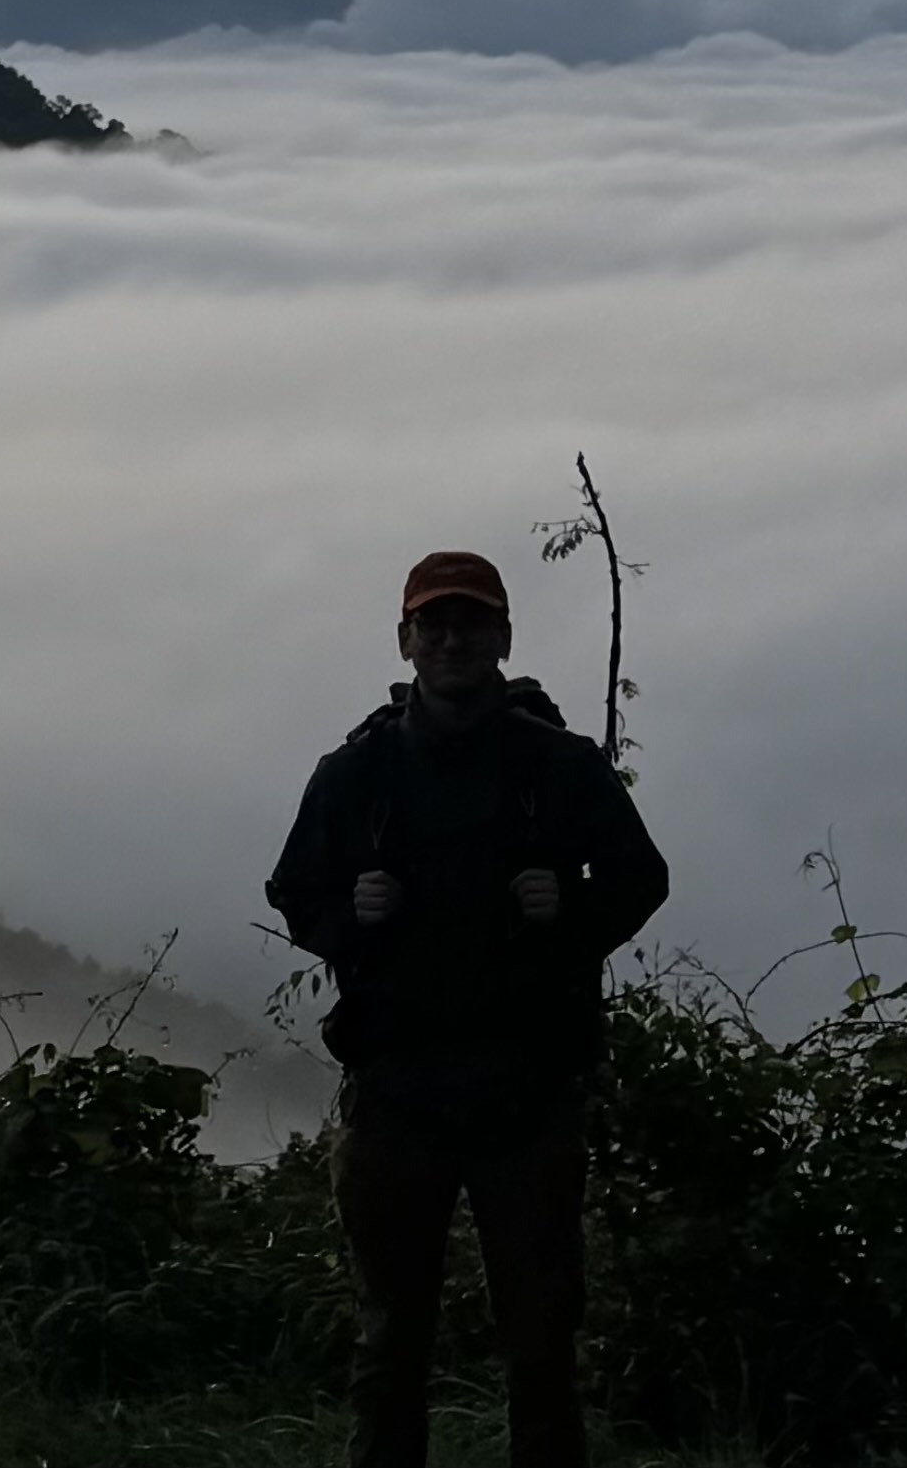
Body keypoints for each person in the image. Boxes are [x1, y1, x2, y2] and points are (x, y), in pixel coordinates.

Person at [266, 549, 671, 1468]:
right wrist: (347, 923)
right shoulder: (357, 771)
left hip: (527, 1092)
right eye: (435, 623)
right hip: (398, 1089)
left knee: (539, 1343)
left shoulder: (560, 766)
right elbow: (294, 888)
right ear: (406, 639)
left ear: (503, 637)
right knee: (390, 1342)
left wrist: (570, 916)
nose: (452, 638)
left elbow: (642, 879)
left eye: (471, 621)